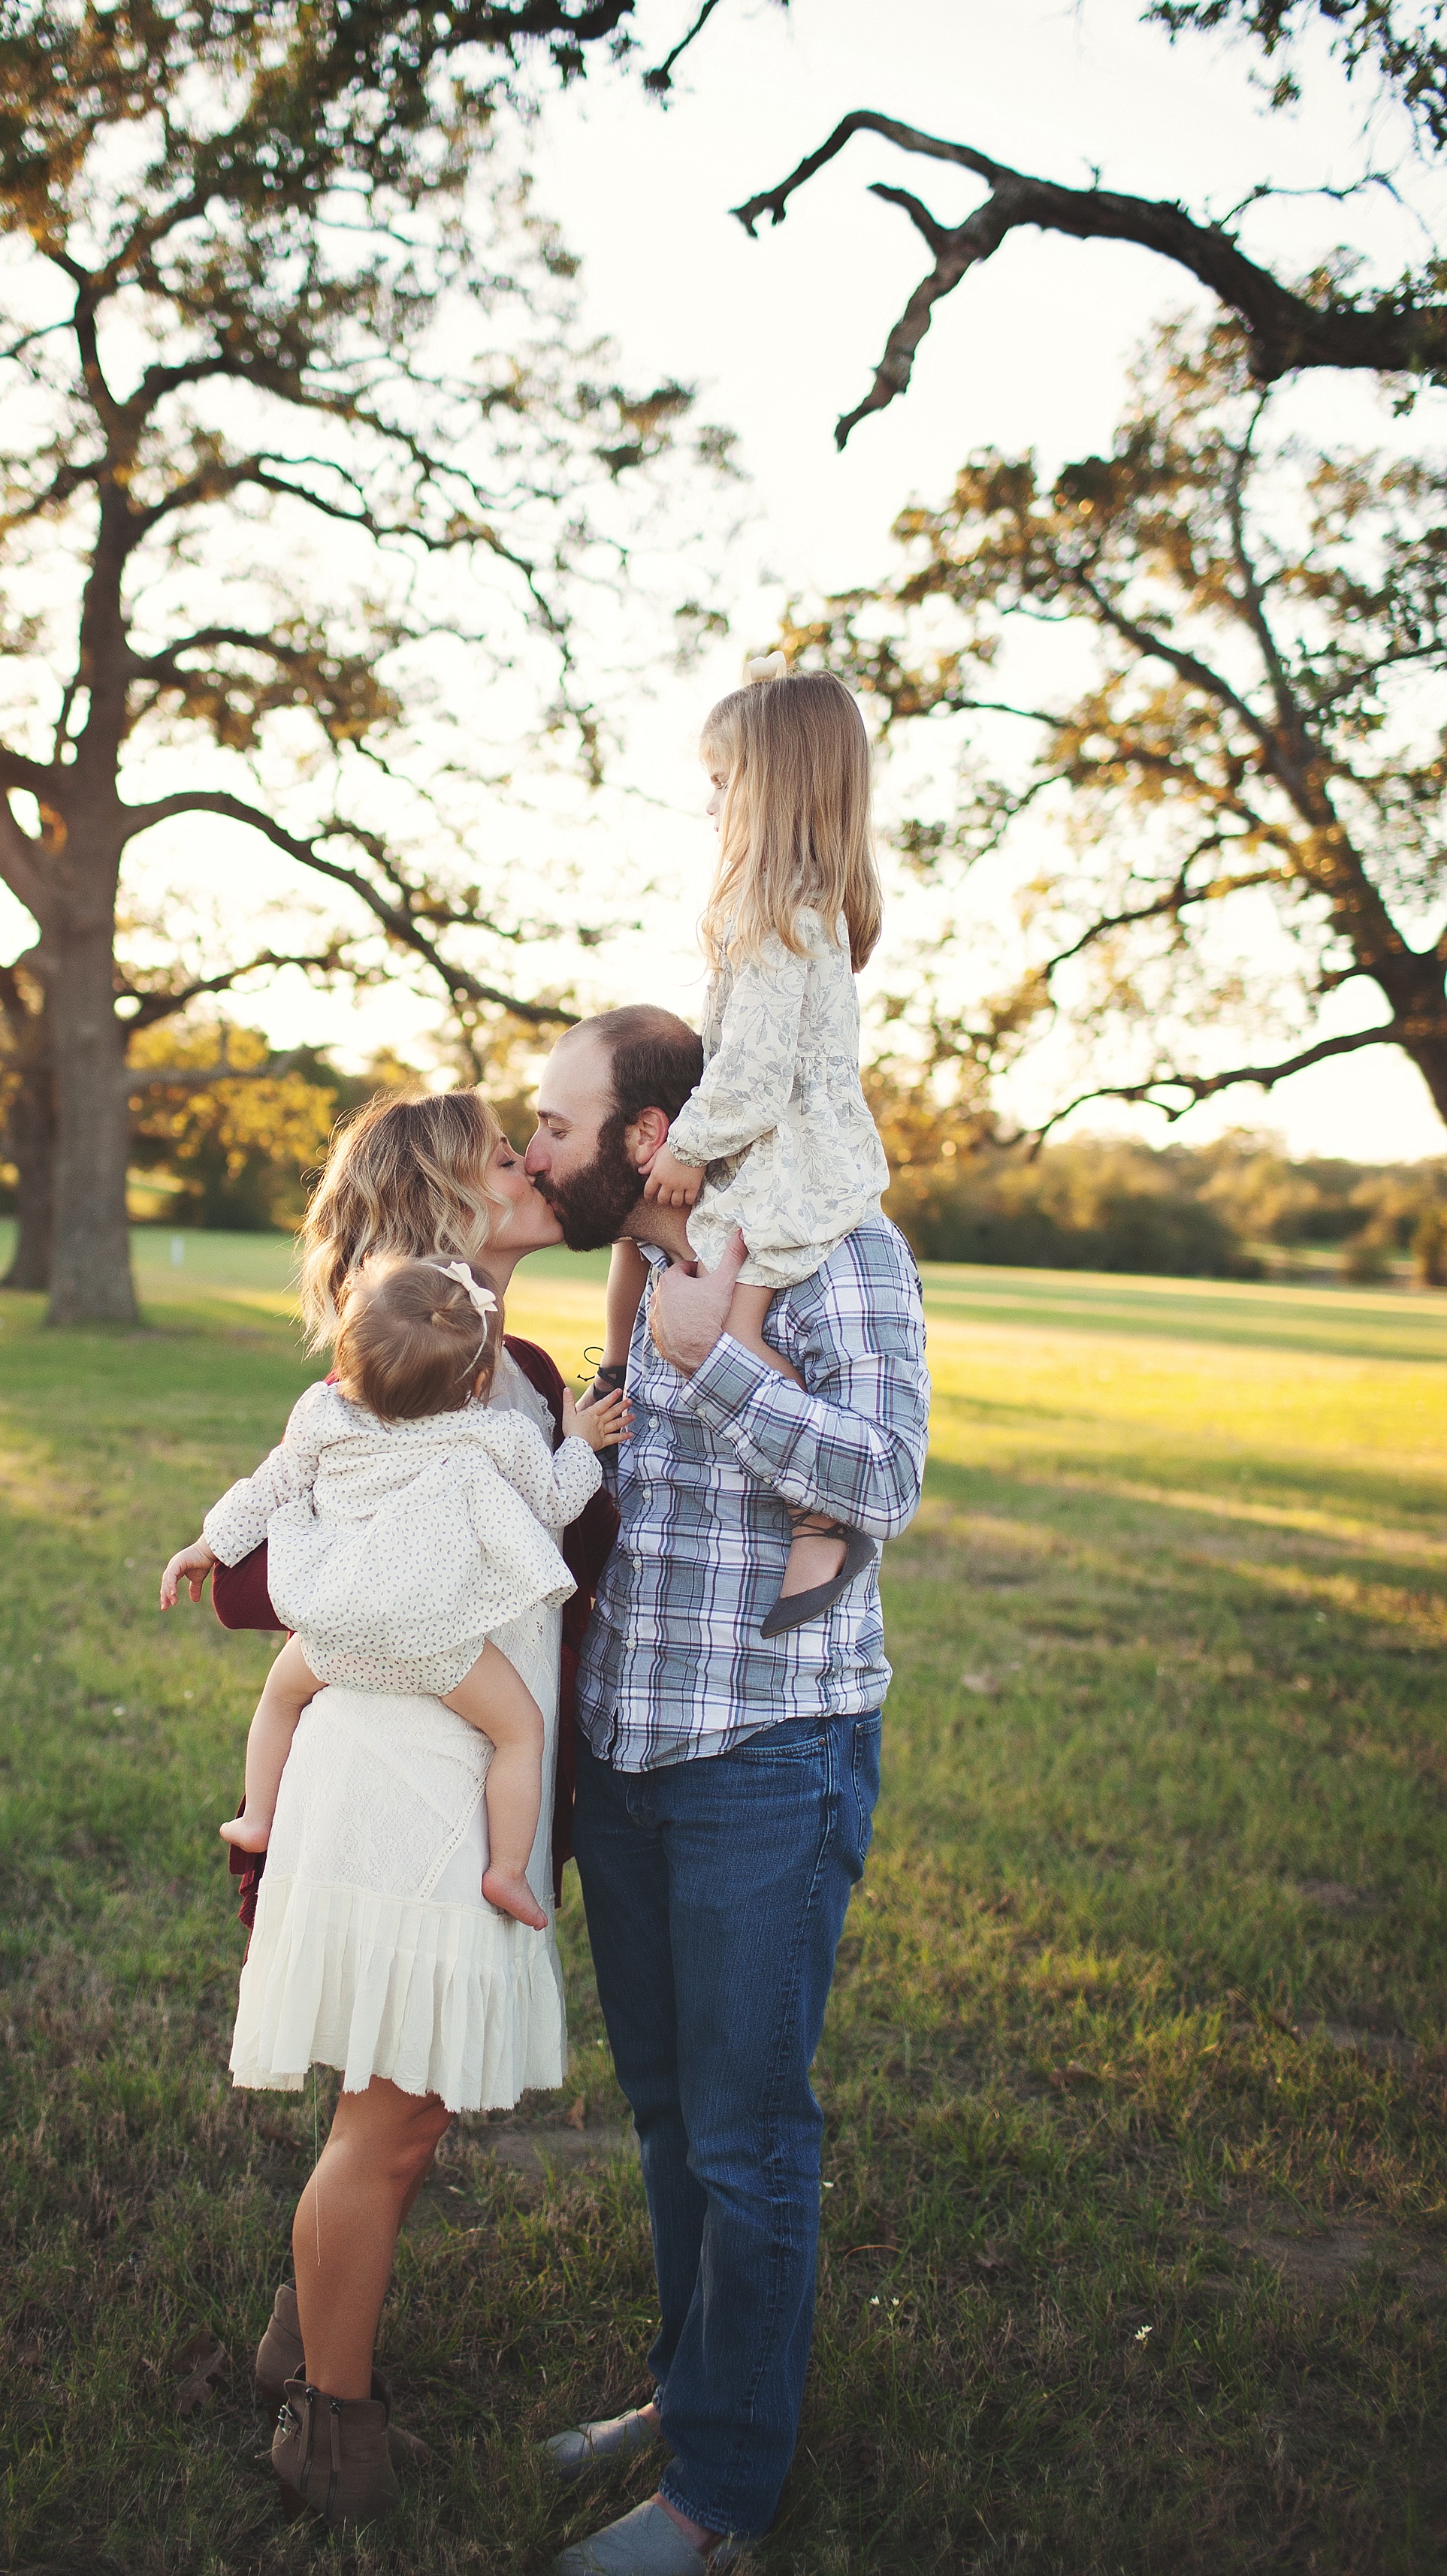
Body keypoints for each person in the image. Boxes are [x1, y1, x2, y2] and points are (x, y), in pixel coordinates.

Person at [159, 1089, 616, 2530]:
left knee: (394, 2117)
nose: (533, 1160)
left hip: (458, 1759)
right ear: (446, 1196)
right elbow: (263, 1576)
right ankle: (331, 2431)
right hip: (411, 1776)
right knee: (395, 2120)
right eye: (504, 1149)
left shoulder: (495, 1359)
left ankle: (306, 2341)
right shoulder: (437, 1369)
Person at [524, 1004, 929, 2576]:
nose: (533, 1146)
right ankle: (690, 2394)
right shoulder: (627, 1275)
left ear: (644, 1137)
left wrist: (715, 1366)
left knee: (750, 2137)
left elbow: (887, 1479)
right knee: (672, 2115)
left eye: (555, 1123)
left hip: (769, 1757)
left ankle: (724, 2497)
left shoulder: (833, 1246)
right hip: (632, 1757)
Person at [159, 1255, 626, 1930]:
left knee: (278, 1698)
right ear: (482, 1380)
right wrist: (579, 1442)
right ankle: (506, 1870)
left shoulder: (324, 1414)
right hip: (436, 1645)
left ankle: (258, 1816)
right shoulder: (493, 1431)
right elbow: (556, 1500)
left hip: (333, 1636)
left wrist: (208, 1545)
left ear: (350, 1363)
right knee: (521, 1730)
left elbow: (273, 1484)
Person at [600, 655, 892, 1637]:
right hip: (802, 1156)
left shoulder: (767, 921)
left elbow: (754, 1076)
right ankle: (814, 1512)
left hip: (778, 1167)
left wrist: (685, 1146)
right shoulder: (805, 912)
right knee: (718, 1313)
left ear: (770, 788)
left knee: (724, 1331)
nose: (710, 805)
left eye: (723, 784)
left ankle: (822, 1517)